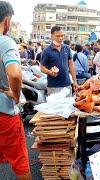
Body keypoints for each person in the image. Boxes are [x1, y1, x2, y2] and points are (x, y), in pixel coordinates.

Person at [0, 1, 31, 179]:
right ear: (7, 21)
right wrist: (16, 94)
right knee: (20, 163)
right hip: (4, 115)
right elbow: (15, 75)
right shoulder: (5, 42)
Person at [40, 26, 77, 96]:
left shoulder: (67, 48)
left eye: (62, 36)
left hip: (67, 85)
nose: (60, 38)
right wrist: (50, 72)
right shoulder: (47, 51)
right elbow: (42, 67)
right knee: (55, 106)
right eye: (58, 36)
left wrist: (74, 81)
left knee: (68, 106)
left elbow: (71, 65)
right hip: (54, 87)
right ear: (52, 36)